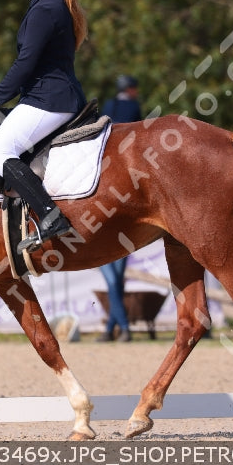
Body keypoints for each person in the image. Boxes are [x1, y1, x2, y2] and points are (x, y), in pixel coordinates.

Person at [0, 0, 89, 252]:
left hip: (49, 100)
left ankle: (50, 216)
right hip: (47, 96)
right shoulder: (50, 1)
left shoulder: (46, 7)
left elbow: (26, 63)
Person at [97, 74, 143, 342]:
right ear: (130, 90)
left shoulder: (108, 107)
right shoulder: (133, 109)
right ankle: (121, 327)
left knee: (114, 280)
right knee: (116, 280)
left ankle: (113, 328)